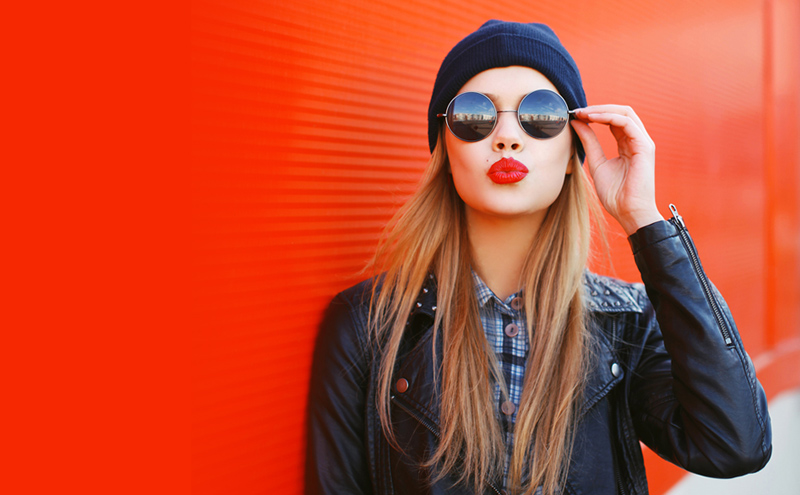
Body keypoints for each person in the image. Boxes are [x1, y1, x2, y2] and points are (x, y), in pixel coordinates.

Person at [305, 20, 772, 495]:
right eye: (474, 115)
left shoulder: (626, 325)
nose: (507, 137)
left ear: (574, 152)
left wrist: (644, 221)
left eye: (542, 114)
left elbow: (734, 445)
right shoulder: (367, 325)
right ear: (444, 148)